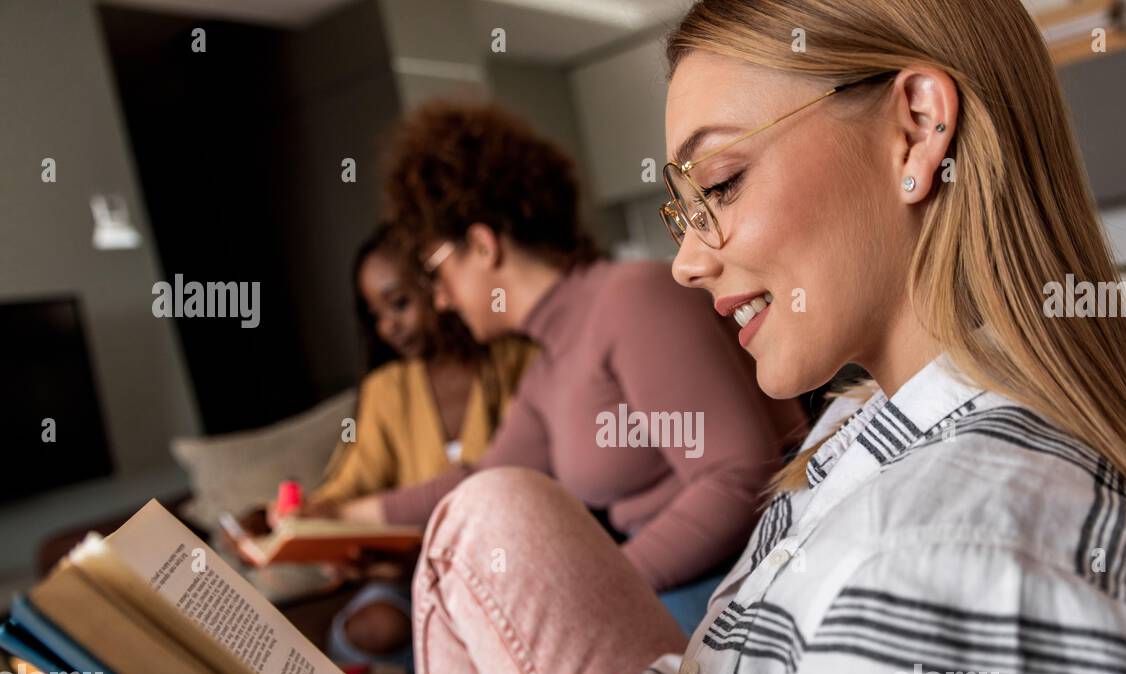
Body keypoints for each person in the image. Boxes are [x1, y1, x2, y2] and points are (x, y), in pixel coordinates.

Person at [191, 0, 1126, 674]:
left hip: (677, 612)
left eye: (719, 184)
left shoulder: (951, 567)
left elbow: (732, 490)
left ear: (915, 130)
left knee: (485, 521)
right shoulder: (867, 432)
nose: (686, 261)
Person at [314, 102, 807, 636]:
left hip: (732, 578)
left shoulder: (629, 298)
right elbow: (482, 483)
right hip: (664, 583)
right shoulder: (548, 365)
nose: (440, 300)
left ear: (482, 246)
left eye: (438, 271)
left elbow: (735, 479)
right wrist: (341, 516)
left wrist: (592, 589)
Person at [238, 223, 533, 663]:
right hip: (411, 571)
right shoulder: (387, 389)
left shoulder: (516, 363)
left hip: (505, 564)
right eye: (375, 314)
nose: (387, 327)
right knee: (375, 626)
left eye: (399, 303)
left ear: (441, 286)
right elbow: (348, 488)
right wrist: (290, 520)